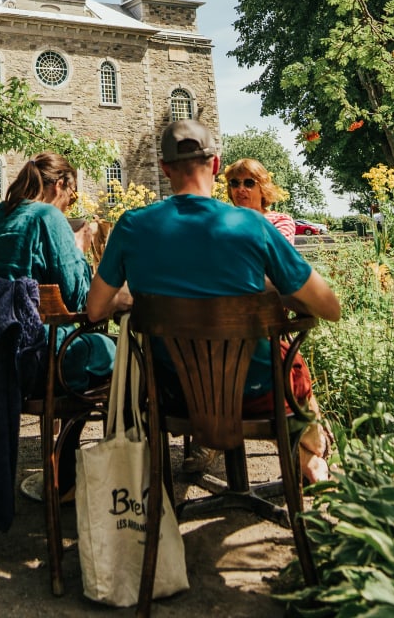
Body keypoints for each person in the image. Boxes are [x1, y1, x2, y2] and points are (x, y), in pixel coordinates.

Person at [87, 120, 340, 484]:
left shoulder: (131, 225)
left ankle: (306, 453)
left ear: (164, 167)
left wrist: (130, 297)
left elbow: (95, 309)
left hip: (172, 393)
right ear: (217, 165)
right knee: (290, 365)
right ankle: (311, 452)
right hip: (259, 390)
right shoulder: (251, 225)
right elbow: (330, 308)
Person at [0, 152, 117, 502]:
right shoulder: (48, 217)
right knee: (118, 353)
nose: (70, 203)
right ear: (61, 184)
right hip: (31, 363)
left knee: (80, 346)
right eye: (72, 193)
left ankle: (64, 471)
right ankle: (65, 476)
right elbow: (81, 300)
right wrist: (79, 245)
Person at [225, 157, 296, 242]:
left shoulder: (280, 221)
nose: (241, 189)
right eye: (234, 183)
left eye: (249, 183)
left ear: (263, 189)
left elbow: (275, 252)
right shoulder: (223, 220)